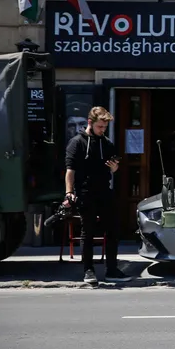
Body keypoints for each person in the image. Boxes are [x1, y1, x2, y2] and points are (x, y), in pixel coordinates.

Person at [64, 106, 130, 285]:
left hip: (104, 190)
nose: (102, 130)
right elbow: (70, 170)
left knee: (113, 230)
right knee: (88, 231)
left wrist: (115, 168)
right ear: (90, 123)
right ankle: (88, 270)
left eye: (105, 127)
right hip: (85, 191)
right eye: (100, 126)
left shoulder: (106, 143)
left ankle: (112, 269)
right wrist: (69, 192)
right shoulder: (77, 143)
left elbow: (114, 165)